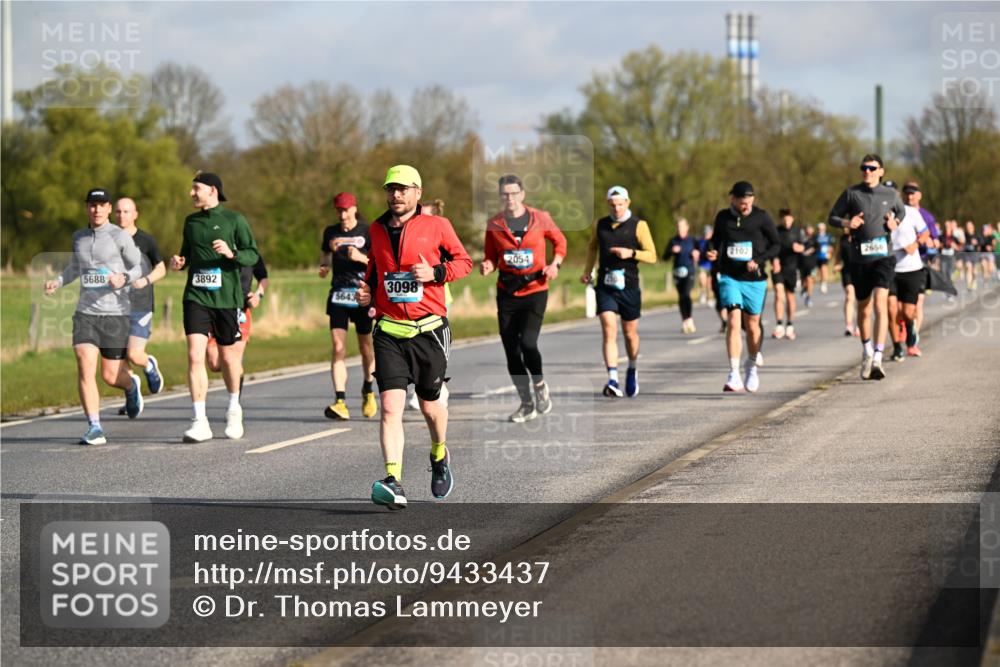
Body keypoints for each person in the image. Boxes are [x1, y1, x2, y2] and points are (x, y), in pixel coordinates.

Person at [357, 165, 472, 510]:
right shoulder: (376, 229)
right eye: (391, 189)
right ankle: (393, 480)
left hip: (429, 330)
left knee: (429, 406)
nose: (396, 195)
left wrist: (436, 272)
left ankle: (439, 454)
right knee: (390, 407)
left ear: (417, 193)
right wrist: (367, 293)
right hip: (389, 331)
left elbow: (464, 262)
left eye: (403, 189)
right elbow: (374, 271)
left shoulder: (438, 226)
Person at [44, 188, 144, 445]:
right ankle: (95, 427)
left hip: (115, 314)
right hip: (86, 313)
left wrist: (124, 277)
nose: (97, 209)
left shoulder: (120, 236)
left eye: (101, 205)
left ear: (109, 208)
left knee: (110, 376)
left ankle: (130, 385)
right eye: (92, 205)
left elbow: (139, 267)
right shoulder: (79, 237)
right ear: (87, 208)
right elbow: (75, 268)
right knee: (84, 362)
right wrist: (58, 281)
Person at [170, 172, 260, 442]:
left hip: (227, 299)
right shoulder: (191, 222)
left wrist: (232, 253)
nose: (191, 193)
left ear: (212, 190)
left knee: (229, 359)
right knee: (194, 355)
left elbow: (252, 254)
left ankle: (234, 408)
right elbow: (186, 254)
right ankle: (200, 421)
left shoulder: (234, 220)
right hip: (196, 296)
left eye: (196, 188)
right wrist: (180, 262)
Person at [481, 174, 566, 422]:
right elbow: (490, 257)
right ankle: (526, 404)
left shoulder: (540, 218)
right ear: (500, 196)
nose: (510, 198)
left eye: (514, 193)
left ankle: (539, 385)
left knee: (528, 343)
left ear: (522, 194)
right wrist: (487, 265)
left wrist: (555, 264)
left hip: (535, 289)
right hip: (507, 292)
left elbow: (560, 242)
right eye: (505, 194)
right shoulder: (494, 223)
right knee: (511, 350)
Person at [828, 154, 904, 381]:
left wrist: (895, 222)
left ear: (881, 171)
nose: (867, 171)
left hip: (884, 257)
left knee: (881, 303)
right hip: (860, 259)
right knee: (864, 308)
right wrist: (847, 222)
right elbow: (832, 217)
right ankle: (867, 350)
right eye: (864, 167)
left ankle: (878, 356)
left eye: (872, 168)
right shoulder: (852, 193)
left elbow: (901, 211)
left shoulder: (890, 194)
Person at [580, 186, 657, 398]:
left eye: (620, 204)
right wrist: (587, 271)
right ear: (608, 204)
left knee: (630, 334)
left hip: (629, 286)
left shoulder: (639, 225)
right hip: (605, 285)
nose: (616, 208)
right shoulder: (600, 224)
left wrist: (630, 253)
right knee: (609, 329)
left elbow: (652, 255)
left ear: (627, 203)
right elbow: (592, 247)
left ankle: (632, 368)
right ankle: (612, 378)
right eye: (612, 205)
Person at [706, 181, 779, 392]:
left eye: (749, 200)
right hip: (730, 277)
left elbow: (776, 244)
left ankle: (752, 365)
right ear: (733, 199)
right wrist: (712, 251)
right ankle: (734, 373)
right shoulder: (723, 217)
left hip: (755, 280)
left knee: (753, 326)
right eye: (742, 201)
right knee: (733, 320)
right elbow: (715, 241)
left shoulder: (761, 217)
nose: (746, 205)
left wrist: (759, 260)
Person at [319, 192, 377, 421]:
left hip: (361, 295)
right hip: (338, 295)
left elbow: (379, 261)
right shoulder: (330, 232)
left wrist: (361, 258)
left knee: (366, 347)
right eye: (339, 211)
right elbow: (325, 255)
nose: (342, 215)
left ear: (354, 208)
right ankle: (340, 401)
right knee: (338, 347)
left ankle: (368, 389)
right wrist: (324, 266)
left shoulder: (367, 231)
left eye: (346, 210)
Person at [114, 198, 165, 399]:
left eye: (126, 211)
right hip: (114, 307)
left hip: (140, 305)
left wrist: (145, 280)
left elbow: (161, 268)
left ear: (135, 214)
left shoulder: (146, 240)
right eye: (118, 211)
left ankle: (149, 364)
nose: (122, 215)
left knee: (134, 354)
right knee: (120, 358)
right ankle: (132, 398)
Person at [207, 255, 268, 394]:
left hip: (241, 311)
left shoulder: (250, 252)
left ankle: (234, 401)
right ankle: (235, 366)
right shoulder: (216, 249)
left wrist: (258, 296)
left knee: (232, 358)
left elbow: (263, 278)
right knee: (214, 363)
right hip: (215, 308)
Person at [888, 196, 929, 361]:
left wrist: (915, 245)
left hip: (911, 268)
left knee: (906, 312)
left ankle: (911, 337)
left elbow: (925, 232)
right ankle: (897, 348)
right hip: (889, 269)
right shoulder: (879, 213)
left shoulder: (911, 212)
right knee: (892, 310)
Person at [770, 208, 804, 341]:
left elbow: (805, 247)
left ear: (792, 219)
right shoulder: (775, 231)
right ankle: (779, 325)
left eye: (788, 219)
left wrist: (799, 248)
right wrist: (774, 259)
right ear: (781, 219)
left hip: (792, 267)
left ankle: (790, 324)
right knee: (779, 294)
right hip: (778, 267)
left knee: (790, 297)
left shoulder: (797, 232)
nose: (786, 221)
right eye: (784, 219)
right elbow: (770, 247)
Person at [662, 217, 699, 333]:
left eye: (682, 227)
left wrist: (697, 254)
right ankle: (684, 320)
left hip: (689, 271)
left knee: (686, 294)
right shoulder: (673, 241)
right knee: (681, 296)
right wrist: (671, 251)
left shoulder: (693, 240)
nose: (680, 229)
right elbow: (665, 257)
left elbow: (701, 253)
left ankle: (689, 319)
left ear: (687, 227)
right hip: (677, 272)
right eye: (678, 227)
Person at [835, 231, 859, 336]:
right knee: (850, 295)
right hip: (847, 271)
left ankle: (859, 324)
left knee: (860, 299)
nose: (844, 228)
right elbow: (838, 253)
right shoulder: (842, 239)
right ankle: (849, 325)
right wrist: (837, 264)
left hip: (860, 269)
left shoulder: (860, 235)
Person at [799, 224, 818, 308]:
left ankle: (809, 297)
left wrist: (811, 250)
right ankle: (804, 288)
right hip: (802, 263)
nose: (809, 231)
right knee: (803, 279)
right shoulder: (801, 238)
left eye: (810, 229)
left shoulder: (815, 239)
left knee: (810, 279)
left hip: (812, 263)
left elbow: (818, 248)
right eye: (807, 229)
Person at [696, 225, 714, 305]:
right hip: (702, 264)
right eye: (705, 233)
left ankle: (709, 298)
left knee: (709, 283)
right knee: (702, 280)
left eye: (708, 233)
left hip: (711, 265)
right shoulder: (700, 241)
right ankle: (702, 294)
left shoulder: (714, 241)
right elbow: (695, 249)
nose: (706, 235)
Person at [815, 222, 834, 294]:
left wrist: (830, 250)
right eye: (819, 229)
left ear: (825, 229)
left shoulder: (828, 236)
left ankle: (824, 283)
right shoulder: (816, 237)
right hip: (817, 256)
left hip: (825, 255)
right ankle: (822, 281)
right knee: (820, 271)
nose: (821, 230)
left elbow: (831, 246)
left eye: (822, 229)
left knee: (824, 269)